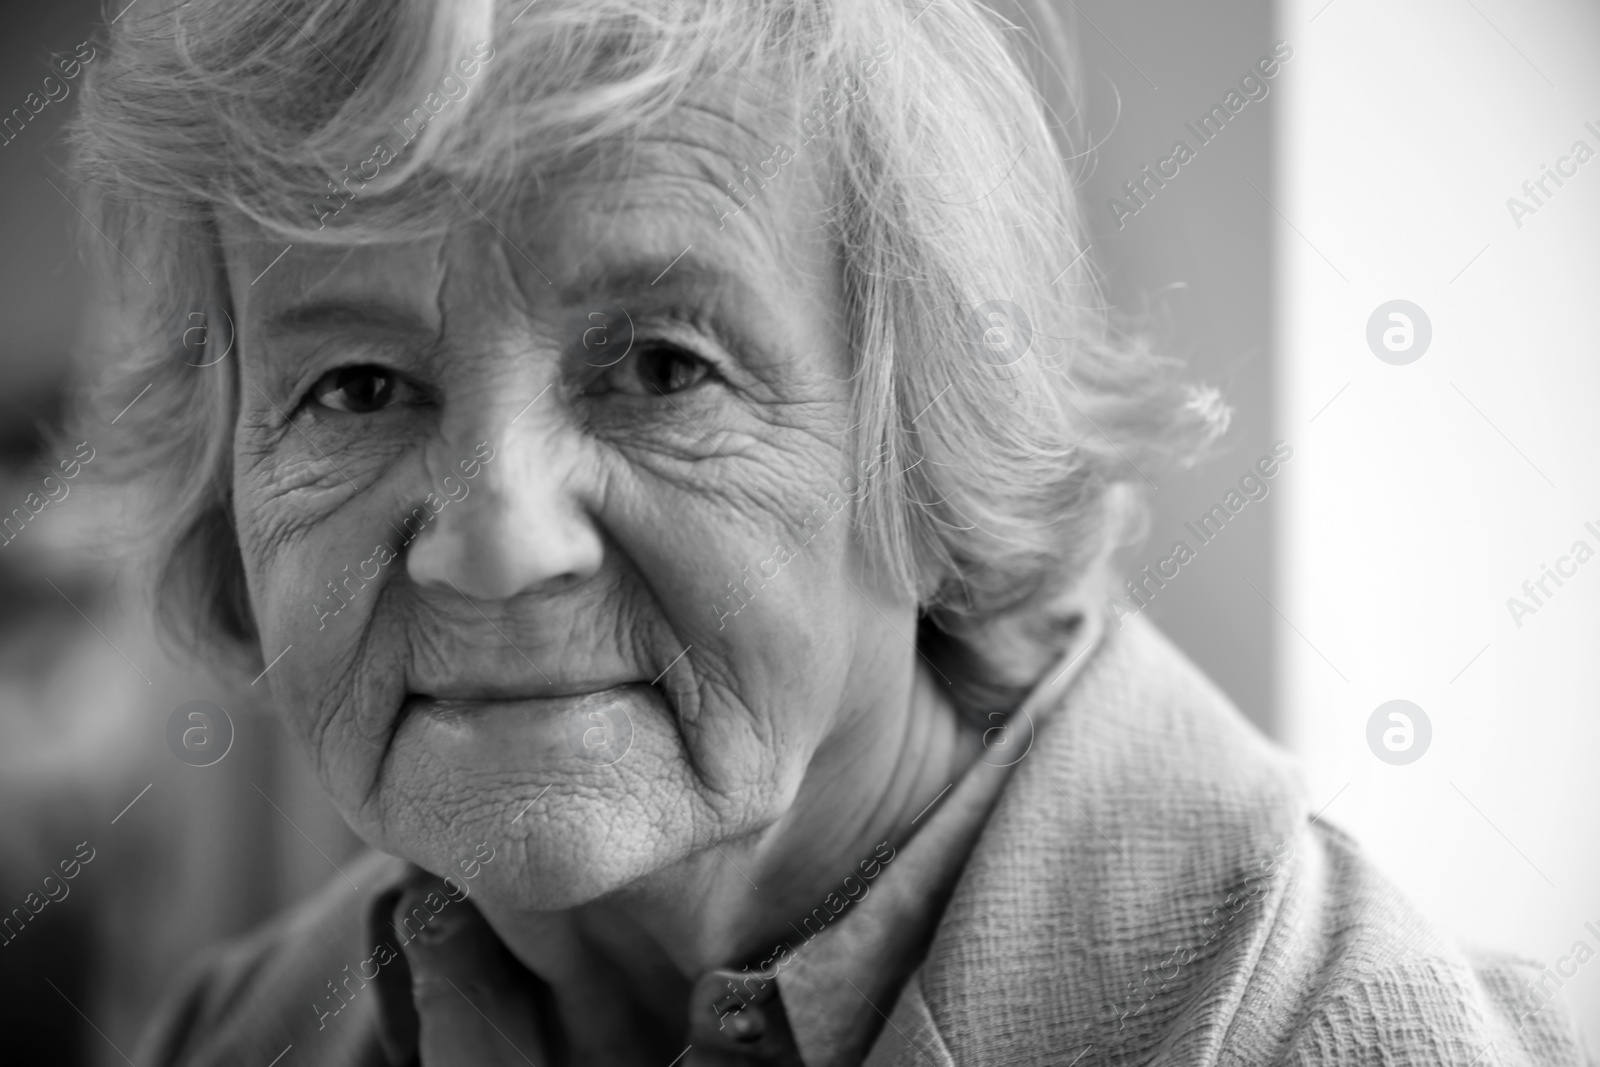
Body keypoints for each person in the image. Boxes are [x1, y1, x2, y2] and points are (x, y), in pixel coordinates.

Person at [68, 0, 1583, 1063]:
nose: (494, 541)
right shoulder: (236, 1034)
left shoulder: (1339, 1037)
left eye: (663, 367)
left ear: (922, 451)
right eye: (356, 386)